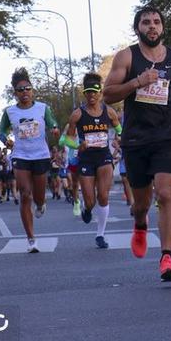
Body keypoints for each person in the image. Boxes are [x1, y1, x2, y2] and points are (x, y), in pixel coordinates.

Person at [104, 5, 171, 281]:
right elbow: (108, 94)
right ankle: (140, 223)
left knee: (166, 193)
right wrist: (137, 82)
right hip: (136, 139)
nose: (152, 26)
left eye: (156, 22)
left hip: (167, 135)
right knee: (141, 205)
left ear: (163, 27)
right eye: (146, 22)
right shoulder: (126, 56)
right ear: (138, 28)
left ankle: (167, 257)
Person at [0, 67, 60, 252]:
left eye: (28, 88)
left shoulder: (43, 108)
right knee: (25, 194)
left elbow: (53, 123)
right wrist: (5, 140)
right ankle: (31, 239)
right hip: (20, 155)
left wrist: (55, 129)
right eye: (20, 90)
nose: (25, 92)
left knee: (39, 198)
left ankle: (41, 205)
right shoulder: (10, 112)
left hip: (40, 155)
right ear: (15, 93)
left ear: (32, 90)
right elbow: (1, 131)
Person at [64, 72, 122, 249]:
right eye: (88, 92)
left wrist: (118, 138)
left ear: (100, 92)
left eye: (94, 91)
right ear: (84, 93)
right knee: (90, 201)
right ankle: (86, 209)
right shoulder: (77, 115)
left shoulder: (109, 112)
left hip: (104, 156)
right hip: (86, 159)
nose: (91, 95)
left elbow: (120, 130)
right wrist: (76, 147)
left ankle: (100, 235)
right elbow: (67, 139)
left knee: (103, 196)